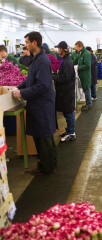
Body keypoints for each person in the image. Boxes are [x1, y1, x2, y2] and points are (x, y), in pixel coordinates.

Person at [12, 31, 57, 175]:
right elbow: (30, 78)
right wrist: (19, 87)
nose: (25, 45)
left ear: (34, 43)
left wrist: (22, 93)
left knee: (43, 137)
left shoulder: (42, 60)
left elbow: (43, 85)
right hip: (37, 104)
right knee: (42, 136)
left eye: (26, 42)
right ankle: (48, 163)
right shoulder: (36, 58)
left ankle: (47, 168)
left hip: (41, 105)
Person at [53, 41, 76, 142]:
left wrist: (54, 77)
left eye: (58, 48)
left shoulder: (67, 62)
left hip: (67, 91)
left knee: (69, 112)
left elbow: (65, 78)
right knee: (67, 112)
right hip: (65, 91)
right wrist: (55, 75)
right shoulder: (65, 60)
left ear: (62, 49)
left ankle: (72, 133)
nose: (58, 51)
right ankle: (69, 130)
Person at [73, 41, 92, 111]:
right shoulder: (81, 53)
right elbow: (76, 61)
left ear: (80, 46)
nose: (76, 49)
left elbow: (87, 65)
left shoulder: (86, 54)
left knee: (86, 90)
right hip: (82, 75)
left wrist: (78, 68)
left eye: (76, 47)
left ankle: (89, 105)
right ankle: (88, 103)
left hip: (85, 75)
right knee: (85, 89)